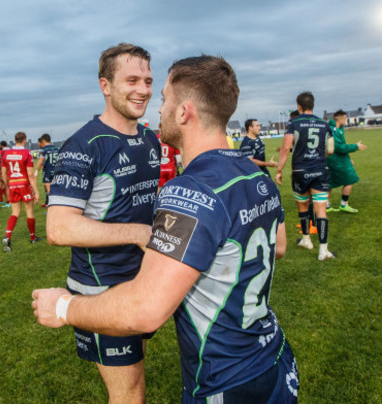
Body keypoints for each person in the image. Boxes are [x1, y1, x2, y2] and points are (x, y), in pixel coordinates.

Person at [33, 55, 298, 404]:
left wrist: (64, 307)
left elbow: (145, 309)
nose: (157, 107)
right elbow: (278, 245)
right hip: (276, 361)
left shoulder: (189, 191)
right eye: (135, 82)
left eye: (162, 97)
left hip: (225, 381)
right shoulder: (254, 173)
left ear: (184, 112)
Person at [45, 43, 160, 403]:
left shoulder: (150, 138)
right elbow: (59, 228)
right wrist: (140, 233)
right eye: (131, 80)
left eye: (147, 80)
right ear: (105, 86)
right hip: (102, 288)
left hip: (143, 281)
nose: (142, 89)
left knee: (136, 376)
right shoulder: (84, 145)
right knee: (129, 394)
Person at [276, 92, 335, 261]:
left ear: (299, 106)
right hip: (320, 170)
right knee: (321, 209)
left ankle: (307, 240)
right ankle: (323, 250)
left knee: (302, 206)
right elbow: (330, 150)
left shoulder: (294, 123)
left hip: (301, 171)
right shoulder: (324, 124)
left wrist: (279, 170)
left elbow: (286, 148)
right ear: (313, 105)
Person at [0, 131, 41, 251]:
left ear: (14, 140)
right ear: (24, 140)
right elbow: (30, 174)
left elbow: (3, 173)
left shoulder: (5, 153)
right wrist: (36, 191)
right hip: (24, 183)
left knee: (15, 212)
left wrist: (8, 185)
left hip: (13, 184)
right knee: (29, 211)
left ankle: (7, 236)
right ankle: (33, 237)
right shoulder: (26, 153)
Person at [326, 110, 367, 213]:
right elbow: (338, 147)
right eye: (345, 118)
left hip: (334, 159)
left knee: (329, 182)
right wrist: (356, 146)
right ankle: (343, 205)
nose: (346, 120)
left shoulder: (337, 128)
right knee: (350, 179)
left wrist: (347, 159)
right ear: (340, 119)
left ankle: (326, 206)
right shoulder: (334, 129)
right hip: (335, 160)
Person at [35, 133, 59, 207]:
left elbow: (41, 161)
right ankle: (47, 202)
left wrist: (36, 172)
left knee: (48, 187)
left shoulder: (44, 150)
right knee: (53, 187)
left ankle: (52, 205)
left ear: (44, 141)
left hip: (48, 171)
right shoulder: (56, 148)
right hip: (56, 170)